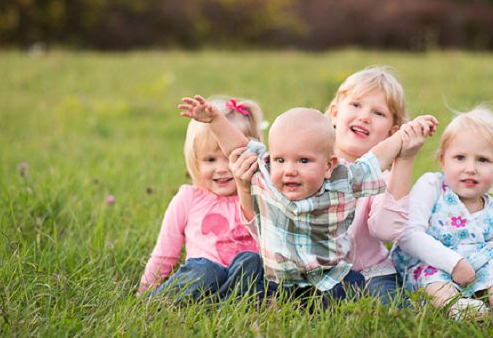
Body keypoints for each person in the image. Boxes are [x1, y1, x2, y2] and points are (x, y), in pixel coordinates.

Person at [178, 95, 438, 308]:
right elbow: (238, 146)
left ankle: (308, 307)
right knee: (249, 265)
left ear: (328, 165)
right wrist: (214, 119)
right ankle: (243, 306)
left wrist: (404, 136)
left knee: (353, 286)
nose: (289, 170)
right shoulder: (266, 172)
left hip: (325, 280)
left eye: (303, 161)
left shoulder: (342, 180)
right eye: (281, 159)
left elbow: (375, 159)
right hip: (276, 280)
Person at [392, 105, 493, 320]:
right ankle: (459, 308)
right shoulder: (432, 187)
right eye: (460, 157)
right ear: (443, 160)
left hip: (479, 266)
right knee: (434, 284)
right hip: (433, 263)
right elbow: (409, 234)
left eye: (483, 160)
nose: (470, 168)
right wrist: (454, 263)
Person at [137, 97, 265, 304]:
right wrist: (145, 290)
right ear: (195, 159)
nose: (222, 168)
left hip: (241, 284)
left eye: (230, 156)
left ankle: (229, 306)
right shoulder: (189, 198)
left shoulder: (260, 195)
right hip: (201, 280)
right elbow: (164, 254)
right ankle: (158, 302)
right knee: (205, 269)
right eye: (210, 159)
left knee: (251, 261)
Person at [326, 66, 414, 305]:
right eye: (355, 105)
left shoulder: (384, 178)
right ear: (335, 113)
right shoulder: (313, 163)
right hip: (319, 272)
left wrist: (404, 160)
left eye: (378, 113)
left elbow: (385, 231)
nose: (364, 116)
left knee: (389, 303)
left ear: (391, 132)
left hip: (370, 270)